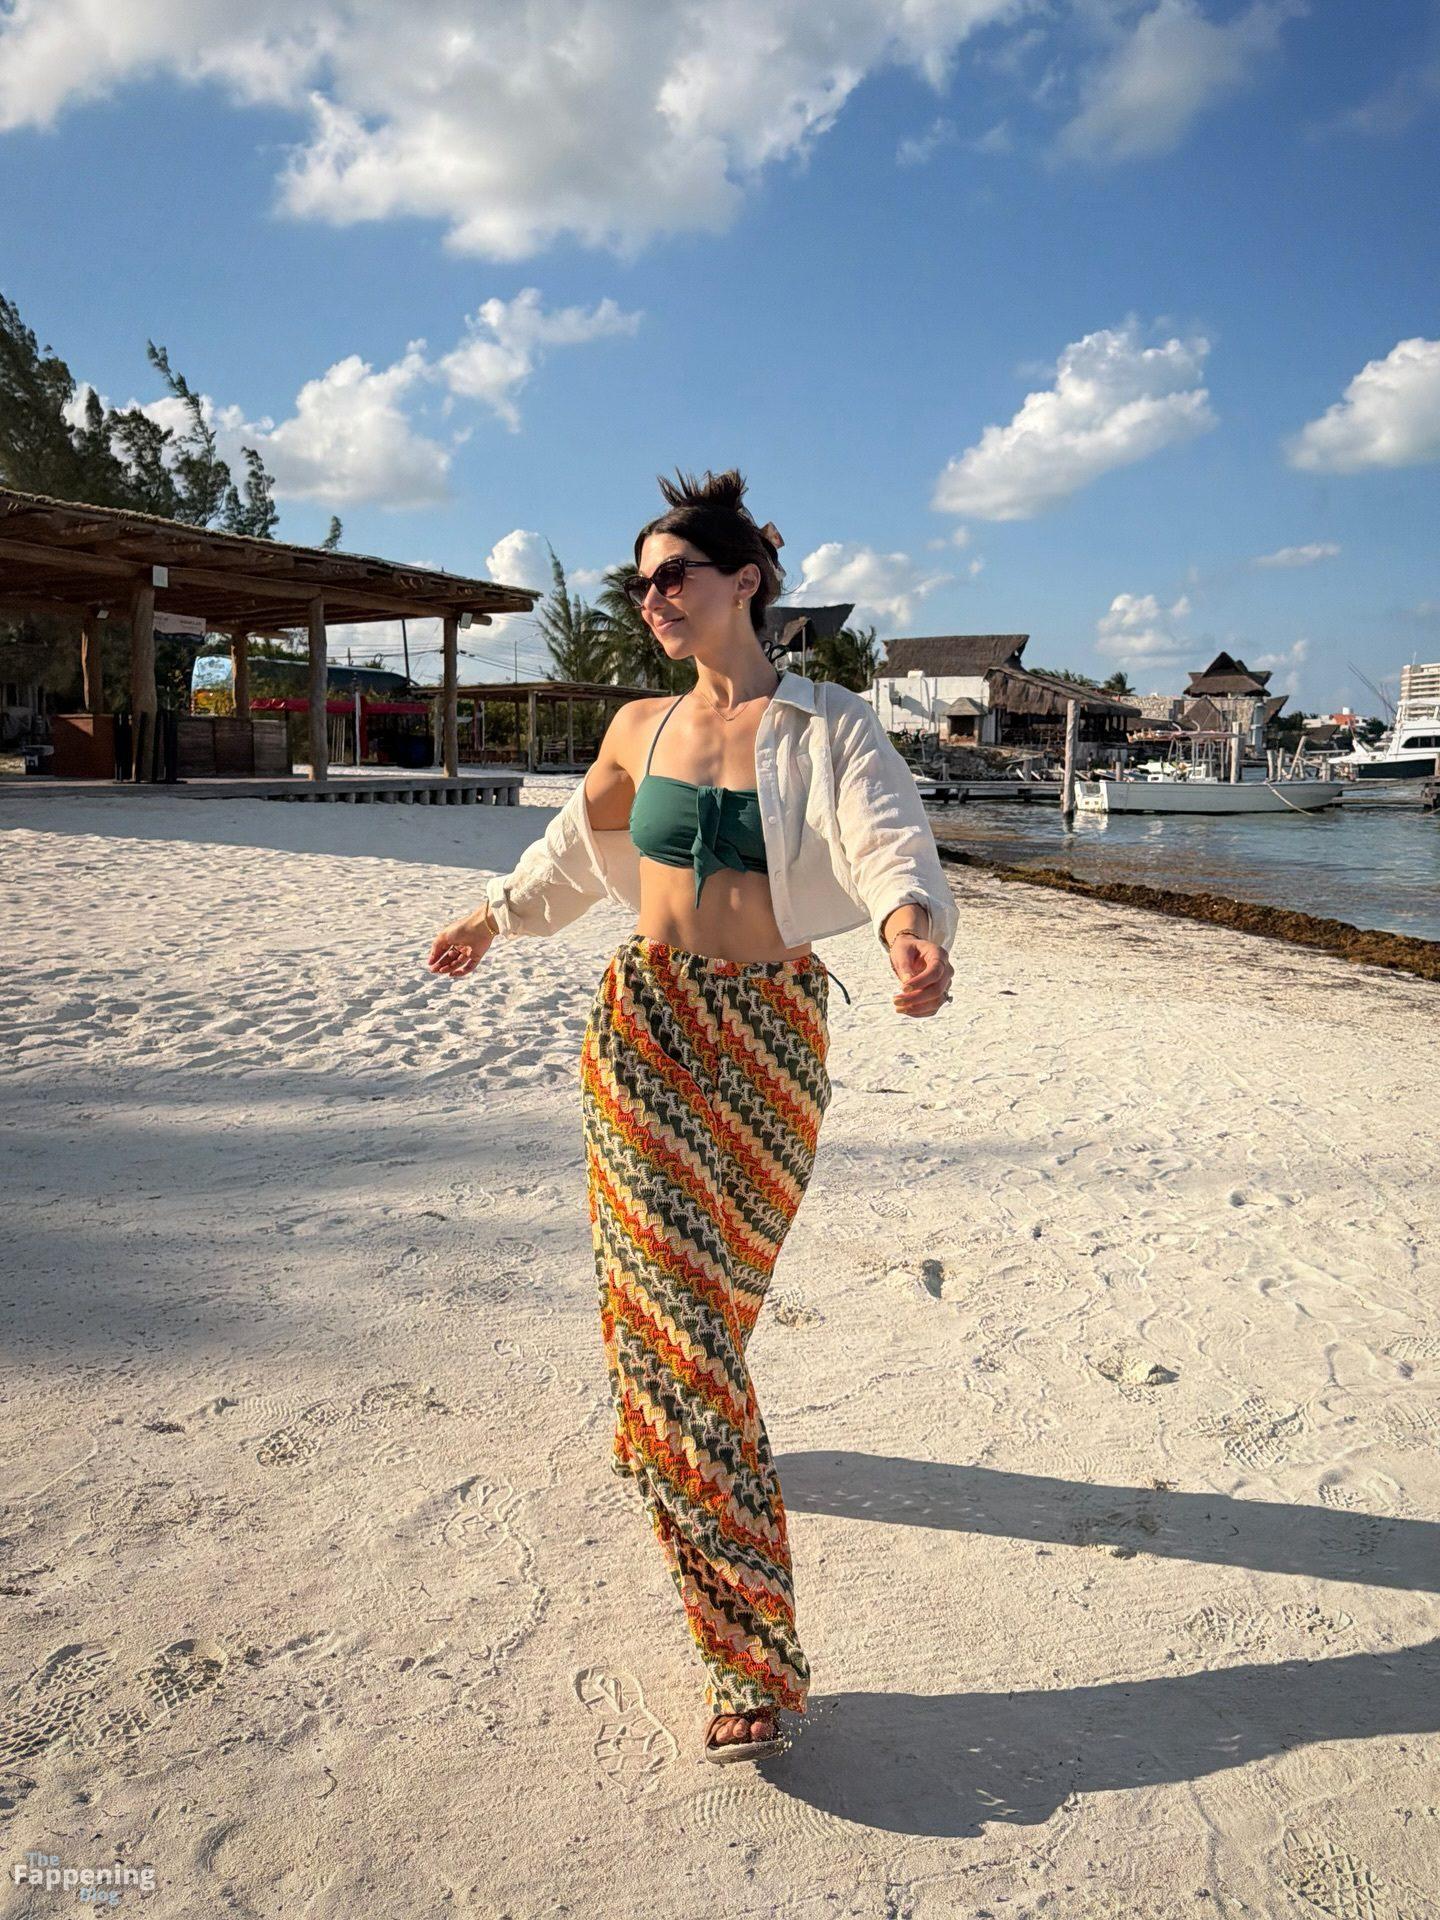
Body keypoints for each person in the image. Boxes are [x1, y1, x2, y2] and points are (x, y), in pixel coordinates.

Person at [427, 468, 956, 1765]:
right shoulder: (639, 726)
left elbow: (887, 837)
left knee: (716, 1297)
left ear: (745, 582)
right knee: (677, 1306)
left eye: (674, 575)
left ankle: (652, 1423)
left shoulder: (827, 726)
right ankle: (749, 1654)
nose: (652, 597)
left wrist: (909, 929)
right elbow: (573, 846)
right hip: (649, 1029)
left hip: (773, 1036)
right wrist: (494, 917)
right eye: (641, 583)